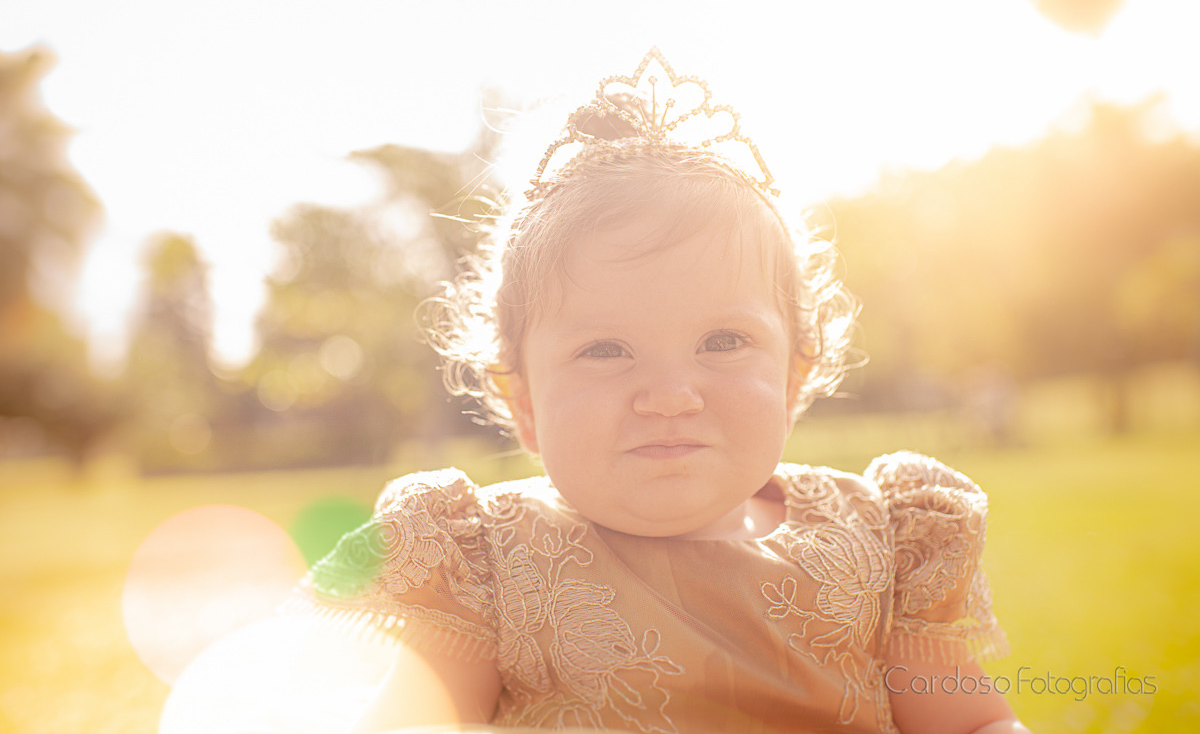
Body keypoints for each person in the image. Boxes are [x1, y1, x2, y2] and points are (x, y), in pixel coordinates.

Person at [290, 49, 1031, 734]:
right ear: (525, 404)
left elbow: (971, 723)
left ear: (793, 374)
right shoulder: (490, 562)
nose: (671, 394)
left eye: (723, 342)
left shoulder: (881, 540)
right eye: (605, 350)